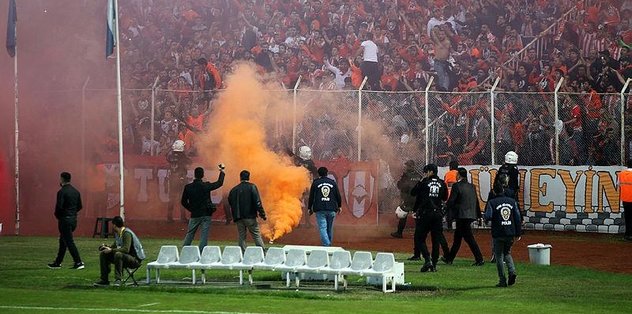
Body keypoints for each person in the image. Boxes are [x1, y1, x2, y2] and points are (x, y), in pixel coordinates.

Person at [410, 164, 448, 272]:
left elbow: (413, 193)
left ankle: (427, 259)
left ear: (430, 172)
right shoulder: (442, 183)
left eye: (426, 172)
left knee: (419, 238)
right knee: (436, 240)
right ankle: (434, 265)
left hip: (425, 214)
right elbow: (445, 197)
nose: (425, 174)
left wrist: (420, 182)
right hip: (437, 215)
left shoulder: (424, 183)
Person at [484, 181, 522, 287]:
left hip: (498, 232)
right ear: (503, 190)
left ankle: (502, 280)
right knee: (507, 253)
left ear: (494, 192)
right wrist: (518, 233)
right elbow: (517, 217)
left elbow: (488, 216)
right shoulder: (512, 201)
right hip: (510, 232)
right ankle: (512, 271)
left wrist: (486, 219)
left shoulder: (492, 202)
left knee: (499, 256)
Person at [444, 168, 484, 266]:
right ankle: (449, 258)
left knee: (468, 238)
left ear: (458, 175)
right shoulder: (472, 186)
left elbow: (452, 200)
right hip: (470, 214)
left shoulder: (457, 186)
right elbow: (476, 201)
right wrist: (478, 215)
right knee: (458, 237)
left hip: (461, 215)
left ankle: (479, 259)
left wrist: (446, 209)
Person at [181, 165, 225, 251]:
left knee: (190, 233)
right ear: (203, 175)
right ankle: (201, 252)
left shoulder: (188, 187)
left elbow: (183, 202)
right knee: (204, 235)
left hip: (195, 214)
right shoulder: (206, 185)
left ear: (195, 175)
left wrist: (192, 209)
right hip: (206, 214)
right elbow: (219, 183)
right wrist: (222, 172)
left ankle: (184, 251)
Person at [94, 216, 146, 286]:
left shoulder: (126, 233)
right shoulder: (118, 234)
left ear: (114, 225)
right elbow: (114, 246)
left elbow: (126, 249)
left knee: (118, 254)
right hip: (124, 257)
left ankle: (118, 280)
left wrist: (111, 250)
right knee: (103, 254)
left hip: (135, 259)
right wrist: (106, 247)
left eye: (112, 225)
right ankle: (104, 280)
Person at [48, 172, 85, 270]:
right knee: (63, 241)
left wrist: (59, 216)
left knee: (69, 242)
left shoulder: (61, 192)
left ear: (62, 179)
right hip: (73, 220)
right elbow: (80, 206)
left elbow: (59, 207)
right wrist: (72, 213)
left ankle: (78, 262)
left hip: (65, 220)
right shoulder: (76, 191)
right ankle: (58, 262)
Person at [228, 170, 267, 252]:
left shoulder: (234, 189)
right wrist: (262, 214)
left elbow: (230, 202)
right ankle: (262, 252)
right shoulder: (252, 187)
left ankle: (242, 253)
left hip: (238, 217)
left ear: (240, 178)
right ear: (248, 177)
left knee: (241, 235)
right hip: (250, 216)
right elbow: (257, 202)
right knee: (256, 234)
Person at [308, 167, 342, 246]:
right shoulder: (333, 183)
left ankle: (327, 245)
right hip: (332, 208)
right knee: (329, 228)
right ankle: (328, 244)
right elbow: (338, 195)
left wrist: (309, 208)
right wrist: (339, 206)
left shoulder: (315, 183)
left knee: (323, 228)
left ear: (318, 174)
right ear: (327, 173)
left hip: (320, 209)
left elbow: (311, 196)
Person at [391, 160, 422, 238]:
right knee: (417, 216)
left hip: (408, 198)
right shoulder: (419, 176)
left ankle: (399, 232)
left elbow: (400, 186)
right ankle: (419, 233)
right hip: (417, 198)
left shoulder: (405, 175)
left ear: (411, 166)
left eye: (407, 166)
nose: (406, 167)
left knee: (403, 215)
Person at [166, 139, 192, 222]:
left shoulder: (170, 156)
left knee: (172, 198)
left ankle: (169, 217)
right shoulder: (183, 157)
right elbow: (190, 162)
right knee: (182, 198)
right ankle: (183, 217)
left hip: (172, 178)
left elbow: (167, 156)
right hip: (181, 179)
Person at [618, 159, 632, 241]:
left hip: (625, 199)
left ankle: (627, 235)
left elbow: (618, 185)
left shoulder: (621, 174)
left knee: (627, 217)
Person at [443, 160, 459, 230]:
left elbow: (445, 185)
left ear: (451, 167)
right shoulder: (459, 174)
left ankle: (449, 226)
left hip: (449, 196)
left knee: (449, 212)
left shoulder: (448, 174)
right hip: (458, 196)